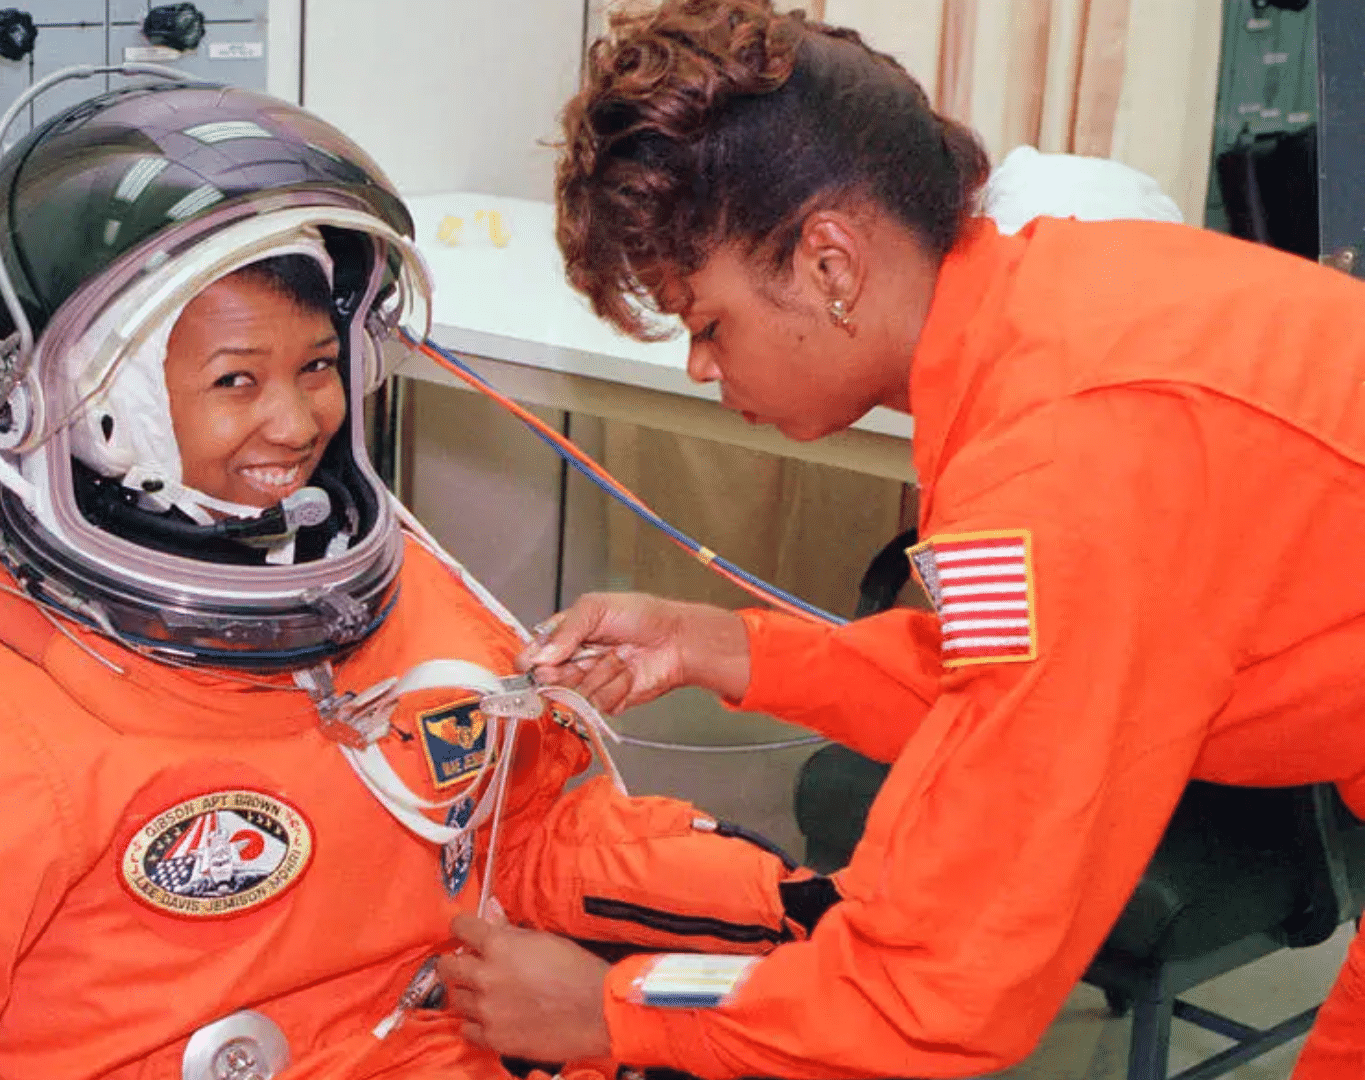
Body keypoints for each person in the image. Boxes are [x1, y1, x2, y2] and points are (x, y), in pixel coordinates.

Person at [0, 79, 828, 1080]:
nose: (300, 419)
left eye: (317, 366)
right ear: (91, 400)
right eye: (235, 380)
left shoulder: (414, 605)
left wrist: (801, 904)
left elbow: (533, 838)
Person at [435, 1, 1365, 1078]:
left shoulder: (1062, 458)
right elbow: (1008, 698)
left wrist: (614, 1008)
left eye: (707, 322)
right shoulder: (1043, 313)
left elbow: (939, 991)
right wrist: (717, 644)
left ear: (829, 263)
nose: (700, 366)